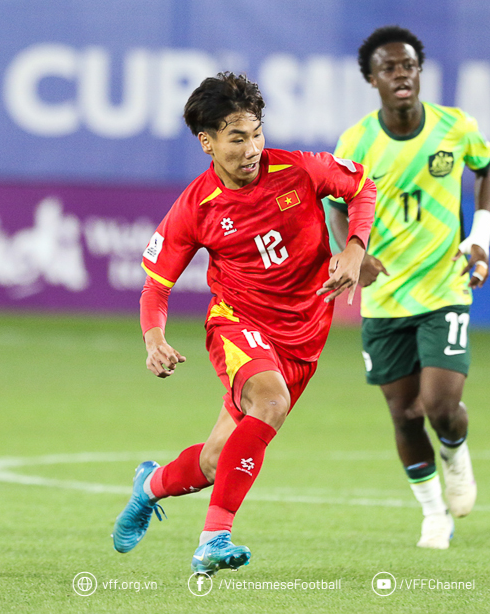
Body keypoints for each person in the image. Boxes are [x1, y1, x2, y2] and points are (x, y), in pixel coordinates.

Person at [112, 72, 375, 576]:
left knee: (217, 462)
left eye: (256, 133)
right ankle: (214, 539)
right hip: (238, 323)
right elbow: (156, 286)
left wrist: (355, 248)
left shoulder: (299, 169)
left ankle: (149, 485)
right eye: (237, 138)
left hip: (304, 335)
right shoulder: (195, 206)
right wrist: (154, 338)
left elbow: (363, 186)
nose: (252, 149)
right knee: (270, 402)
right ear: (207, 142)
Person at [329, 26, 490, 549]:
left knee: (440, 405)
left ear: (419, 72)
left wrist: (479, 238)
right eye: (389, 68)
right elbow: (333, 203)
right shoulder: (357, 142)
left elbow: (487, 171)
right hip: (384, 297)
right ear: (372, 79)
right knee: (404, 414)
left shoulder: (454, 127)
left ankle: (455, 452)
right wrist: (353, 253)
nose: (401, 74)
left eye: (409, 65)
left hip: (444, 287)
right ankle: (433, 515)